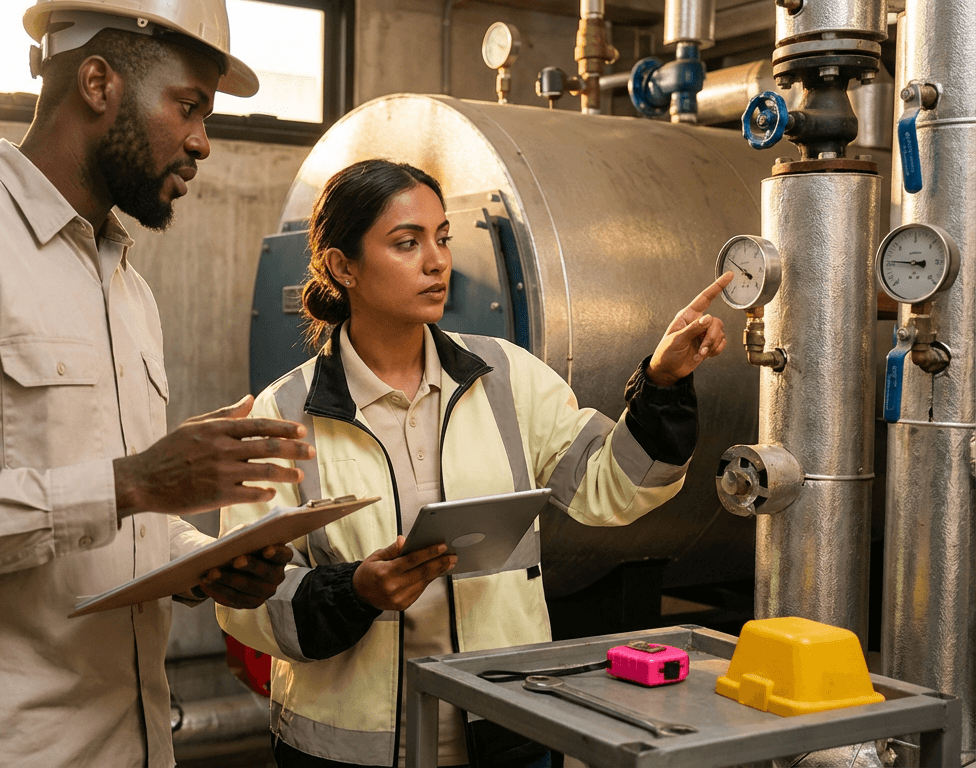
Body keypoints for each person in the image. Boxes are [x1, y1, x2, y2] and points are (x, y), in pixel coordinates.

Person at [0, 2, 315, 765]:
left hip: (127, 740)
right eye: (187, 107)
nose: (202, 143)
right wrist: (133, 482)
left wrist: (199, 559)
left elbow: (112, 517)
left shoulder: (126, 287)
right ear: (97, 83)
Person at [216, 159, 732, 768]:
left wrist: (663, 383)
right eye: (407, 243)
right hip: (353, 750)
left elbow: (615, 487)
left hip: (507, 729)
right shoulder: (285, 412)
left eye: (442, 237)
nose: (437, 261)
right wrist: (353, 593)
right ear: (341, 266)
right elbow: (244, 601)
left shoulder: (507, 376)